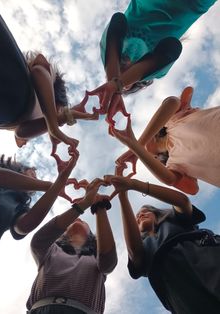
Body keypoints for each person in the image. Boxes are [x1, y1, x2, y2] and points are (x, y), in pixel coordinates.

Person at [0, 0, 98, 151]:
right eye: (58, 111)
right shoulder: (39, 94)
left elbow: (21, 134)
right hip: (12, 90)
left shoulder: (26, 119)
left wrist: (61, 120)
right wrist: (55, 122)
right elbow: (40, 70)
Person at [104, 174, 220, 314]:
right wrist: (122, 195)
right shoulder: (143, 249)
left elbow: (182, 201)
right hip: (183, 297)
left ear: (158, 214)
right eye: (136, 217)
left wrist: (133, 184)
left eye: (146, 211)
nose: (140, 215)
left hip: (211, 261)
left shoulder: (176, 221)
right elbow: (135, 251)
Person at [88, 0, 216, 123]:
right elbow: (172, 47)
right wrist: (119, 85)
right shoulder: (156, 70)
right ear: (138, 80)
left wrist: (114, 83)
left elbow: (118, 20)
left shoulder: (110, 49)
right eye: (127, 83)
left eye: (118, 73)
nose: (122, 73)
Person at [26, 179, 117, 314]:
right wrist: (84, 204)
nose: (78, 219)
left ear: (92, 236)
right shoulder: (52, 251)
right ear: (62, 232)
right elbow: (39, 240)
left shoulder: (95, 258)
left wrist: (99, 206)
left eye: (84, 221)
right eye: (73, 220)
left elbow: (108, 260)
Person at [111, 86, 220, 194]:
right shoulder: (175, 164)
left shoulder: (174, 121)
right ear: (155, 158)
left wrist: (137, 145)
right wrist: (136, 149)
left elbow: (173, 101)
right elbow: (189, 188)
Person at [0, 149, 79, 252]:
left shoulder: (21, 206)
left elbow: (22, 227)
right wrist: (52, 186)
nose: (35, 178)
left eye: (36, 178)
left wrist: (58, 185)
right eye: (33, 174)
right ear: (22, 169)